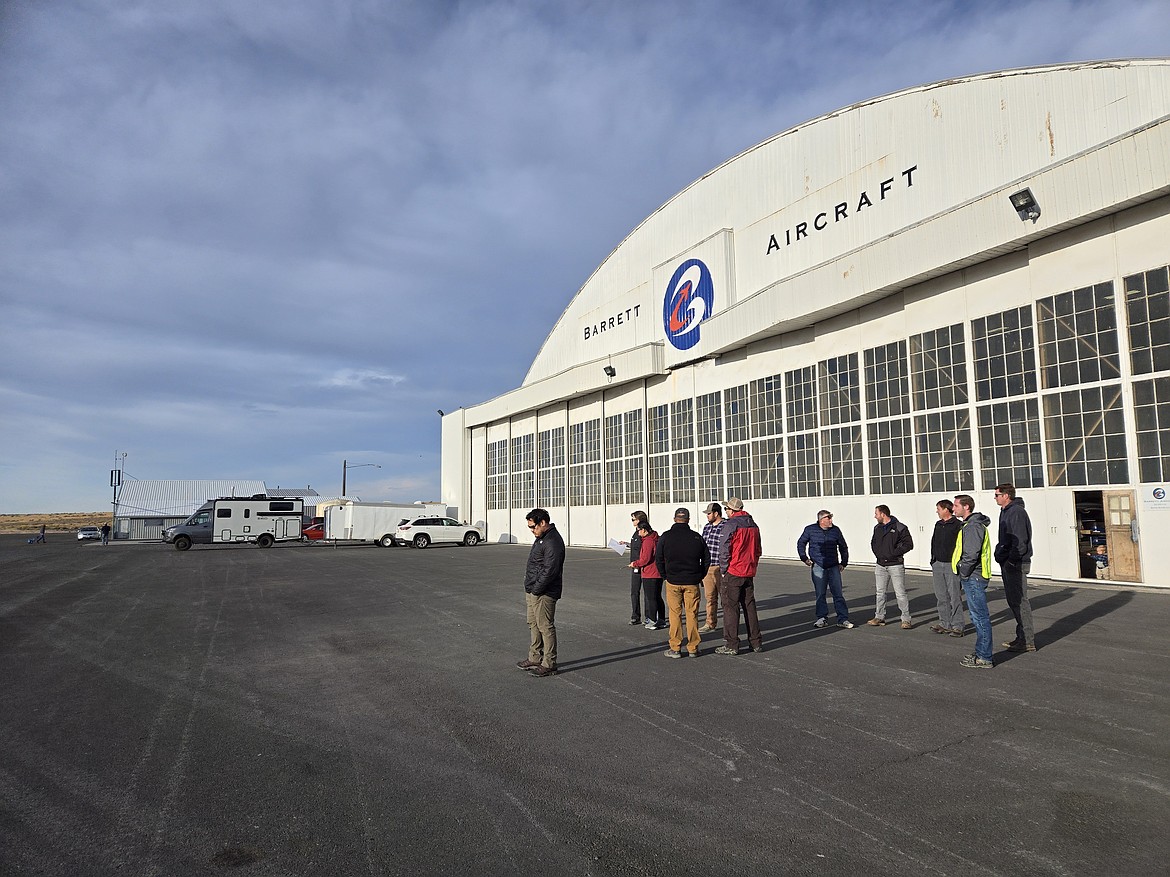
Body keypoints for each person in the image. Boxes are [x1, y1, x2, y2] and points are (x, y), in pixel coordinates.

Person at [516, 509, 566, 678]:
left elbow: (549, 571)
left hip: (544, 592)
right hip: (533, 590)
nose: (532, 530)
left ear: (543, 523)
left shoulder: (552, 541)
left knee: (545, 627)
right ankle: (535, 657)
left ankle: (549, 663)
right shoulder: (541, 538)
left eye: (533, 527)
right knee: (533, 624)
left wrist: (536, 589)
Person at [655, 507, 710, 658]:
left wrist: (665, 575)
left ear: (674, 519)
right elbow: (706, 559)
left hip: (673, 580)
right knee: (692, 614)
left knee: (675, 614)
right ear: (688, 520)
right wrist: (699, 575)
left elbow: (658, 558)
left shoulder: (666, 537)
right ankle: (693, 647)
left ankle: (676, 647)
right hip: (692, 580)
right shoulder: (696, 537)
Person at [715, 498, 763, 655]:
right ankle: (755, 642)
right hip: (748, 570)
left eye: (727, 509)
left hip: (734, 570)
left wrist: (724, 569)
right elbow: (758, 549)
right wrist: (752, 565)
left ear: (732, 510)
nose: (726, 512)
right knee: (749, 606)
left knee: (730, 607)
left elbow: (724, 549)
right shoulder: (753, 525)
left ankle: (731, 644)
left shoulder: (731, 524)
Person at [952, 494, 993, 669]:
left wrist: (964, 572)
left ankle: (984, 657)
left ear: (966, 507)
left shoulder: (973, 527)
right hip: (973, 576)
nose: (953, 509)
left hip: (974, 576)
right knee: (977, 617)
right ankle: (981, 652)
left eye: (955, 505)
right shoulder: (970, 525)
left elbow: (971, 554)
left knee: (979, 617)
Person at [994, 483, 1036, 653]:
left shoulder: (1016, 512)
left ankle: (1027, 640)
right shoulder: (1006, 511)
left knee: (1020, 602)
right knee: (1014, 601)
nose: (995, 498)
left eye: (997, 495)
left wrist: (1011, 561)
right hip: (1009, 562)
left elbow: (1019, 540)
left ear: (1006, 495)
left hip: (1016, 563)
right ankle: (1021, 637)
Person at [797, 510, 854, 629]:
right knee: (820, 594)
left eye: (831, 518)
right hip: (818, 565)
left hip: (833, 565)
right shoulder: (810, 529)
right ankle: (821, 618)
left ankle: (842, 619)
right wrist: (804, 558)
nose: (831, 521)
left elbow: (843, 546)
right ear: (821, 520)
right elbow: (801, 543)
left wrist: (844, 562)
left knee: (838, 593)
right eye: (828, 518)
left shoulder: (835, 530)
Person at [868, 505, 914, 629]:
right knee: (880, 593)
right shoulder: (877, 528)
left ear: (883, 514)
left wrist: (893, 553)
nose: (875, 516)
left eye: (876, 513)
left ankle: (906, 619)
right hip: (880, 565)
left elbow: (909, 544)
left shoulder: (900, 527)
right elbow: (873, 543)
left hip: (895, 565)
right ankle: (879, 617)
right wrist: (879, 554)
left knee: (900, 593)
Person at [929, 500, 965, 636]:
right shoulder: (938, 524)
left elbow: (961, 544)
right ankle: (945, 623)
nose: (937, 511)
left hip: (951, 565)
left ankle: (958, 626)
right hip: (938, 563)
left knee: (955, 596)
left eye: (938, 508)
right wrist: (933, 559)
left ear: (945, 509)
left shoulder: (957, 525)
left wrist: (959, 562)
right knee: (941, 596)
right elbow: (934, 541)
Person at [631, 520, 666, 630]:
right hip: (658, 573)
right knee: (657, 596)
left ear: (644, 530)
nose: (638, 533)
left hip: (650, 573)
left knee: (651, 598)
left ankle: (652, 620)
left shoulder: (648, 542)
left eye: (639, 530)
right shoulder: (657, 538)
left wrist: (635, 564)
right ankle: (661, 619)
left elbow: (645, 559)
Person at [698, 502, 723, 632]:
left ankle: (730, 626)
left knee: (726, 598)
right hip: (708, 567)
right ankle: (710, 623)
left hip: (720, 567)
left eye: (709, 513)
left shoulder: (725, 526)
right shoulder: (707, 527)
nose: (707, 516)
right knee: (710, 598)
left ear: (716, 513)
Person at [621, 510, 648, 624]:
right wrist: (626, 544)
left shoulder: (644, 533)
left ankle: (649, 617)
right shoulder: (635, 533)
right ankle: (635, 616)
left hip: (643, 566)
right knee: (634, 592)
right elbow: (636, 546)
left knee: (647, 593)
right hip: (635, 566)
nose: (632, 521)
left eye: (633, 519)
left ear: (639, 520)